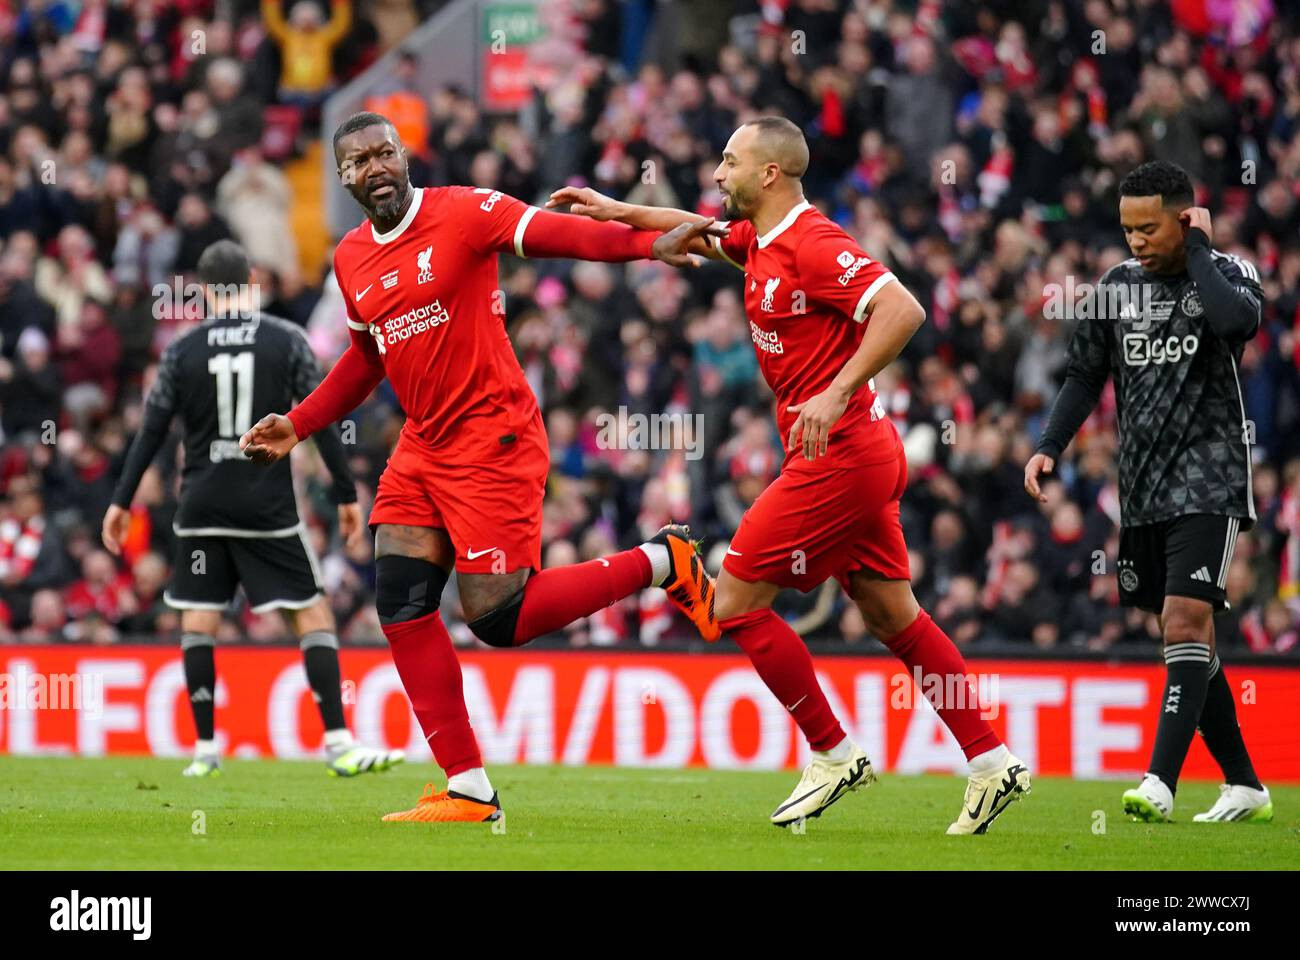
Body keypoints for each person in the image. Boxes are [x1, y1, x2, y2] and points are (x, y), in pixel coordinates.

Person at [549, 116, 1030, 834]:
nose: (718, 173)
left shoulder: (813, 243)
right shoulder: (759, 240)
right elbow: (700, 229)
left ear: (769, 173)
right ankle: (992, 763)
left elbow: (903, 308)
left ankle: (833, 752)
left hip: (840, 449)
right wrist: (616, 209)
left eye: (729, 161)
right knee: (894, 617)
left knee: (736, 600)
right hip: (856, 452)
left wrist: (836, 390)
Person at [239, 112, 720, 824]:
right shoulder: (349, 258)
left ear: (404, 157)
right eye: (358, 161)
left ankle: (663, 560)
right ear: (343, 177)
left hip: (493, 436)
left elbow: (559, 235)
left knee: (497, 618)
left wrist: (650, 245)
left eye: (384, 153)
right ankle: (467, 786)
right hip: (424, 443)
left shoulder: (463, 212)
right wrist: (301, 422)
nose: (374, 167)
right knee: (400, 603)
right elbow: (369, 357)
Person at [1026, 160, 1273, 824]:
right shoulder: (1115, 288)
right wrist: (1051, 444)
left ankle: (1159, 782)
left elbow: (1235, 326)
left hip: (1211, 477)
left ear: (1185, 217)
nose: (1135, 240)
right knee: (1192, 636)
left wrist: (1197, 250)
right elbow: (1084, 375)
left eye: (1149, 227)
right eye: (1127, 228)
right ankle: (1245, 785)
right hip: (1142, 484)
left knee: (1184, 621)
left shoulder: (1228, 273)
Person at [103, 239, 402, 779]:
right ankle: (339, 744)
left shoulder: (181, 348)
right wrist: (342, 492)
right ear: (252, 280)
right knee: (311, 613)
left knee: (199, 618)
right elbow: (319, 417)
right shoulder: (284, 339)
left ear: (201, 287)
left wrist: (121, 500)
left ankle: (204, 751)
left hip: (201, 501)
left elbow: (151, 430)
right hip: (265, 503)